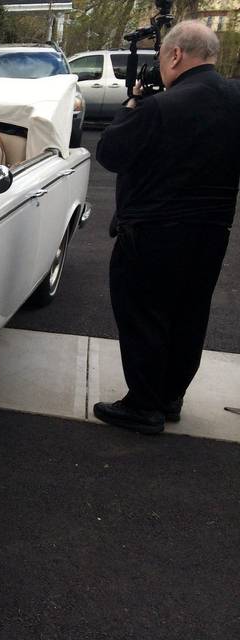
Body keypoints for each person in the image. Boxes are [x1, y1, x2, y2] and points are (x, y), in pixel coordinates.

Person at [94, 20, 240, 434]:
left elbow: (111, 152)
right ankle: (170, 396)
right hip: (213, 232)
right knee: (189, 314)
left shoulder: (160, 107)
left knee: (143, 315)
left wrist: (131, 106)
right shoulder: (235, 98)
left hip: (153, 232)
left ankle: (143, 405)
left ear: (175, 55)